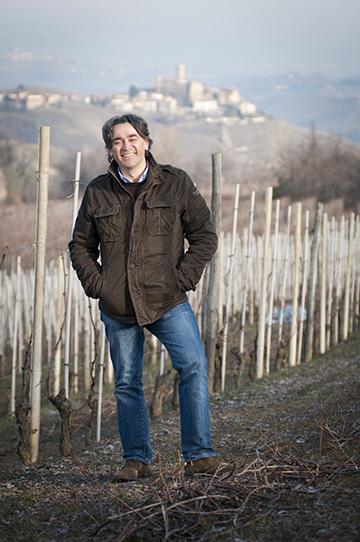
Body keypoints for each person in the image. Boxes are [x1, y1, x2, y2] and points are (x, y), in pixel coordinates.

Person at [69, 114, 225, 481]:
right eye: (117, 141)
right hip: (118, 304)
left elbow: (205, 236)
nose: (126, 146)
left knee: (193, 366)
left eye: (132, 138)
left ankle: (199, 455)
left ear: (146, 142)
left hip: (167, 299)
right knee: (126, 382)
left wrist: (182, 278)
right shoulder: (97, 191)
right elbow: (80, 246)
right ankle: (136, 460)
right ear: (110, 149)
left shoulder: (176, 183)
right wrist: (98, 285)